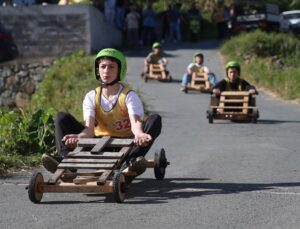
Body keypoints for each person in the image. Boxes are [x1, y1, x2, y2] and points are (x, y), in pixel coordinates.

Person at [42, 48, 162, 179]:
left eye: (111, 67)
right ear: (97, 70)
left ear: (119, 70)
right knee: (61, 117)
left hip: (126, 146)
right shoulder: (91, 96)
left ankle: (131, 162)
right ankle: (67, 164)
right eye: (103, 66)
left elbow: (135, 122)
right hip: (98, 145)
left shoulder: (128, 96)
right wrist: (78, 137)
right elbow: (89, 129)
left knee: (155, 120)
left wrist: (139, 133)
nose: (106, 71)